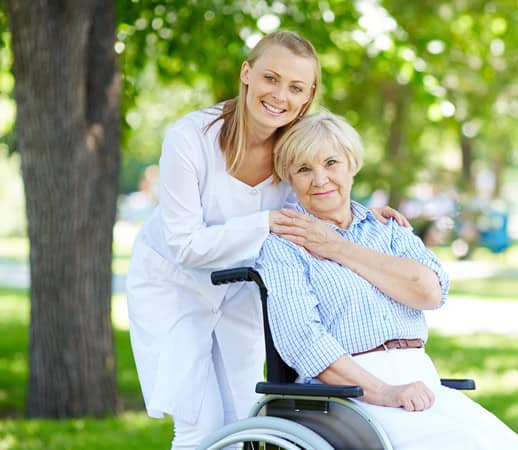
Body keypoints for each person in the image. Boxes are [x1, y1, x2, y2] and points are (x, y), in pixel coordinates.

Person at [126, 30, 406, 449]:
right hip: (174, 285)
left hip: (242, 286)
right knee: (197, 422)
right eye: (271, 79)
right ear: (247, 74)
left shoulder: (295, 148)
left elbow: (321, 193)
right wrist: (267, 222)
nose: (280, 96)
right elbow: (184, 245)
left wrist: (363, 213)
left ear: (308, 95)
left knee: (243, 420)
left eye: (296, 87)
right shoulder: (190, 138)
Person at [255, 111, 518, 450]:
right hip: (348, 397)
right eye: (304, 169)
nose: (320, 179)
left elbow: (430, 292)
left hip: (423, 382)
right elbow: (303, 341)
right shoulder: (284, 245)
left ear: (352, 165)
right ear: (290, 178)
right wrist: (385, 392)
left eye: (331, 163)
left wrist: (337, 247)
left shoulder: (387, 230)